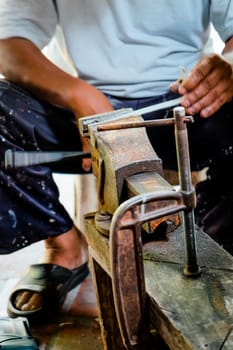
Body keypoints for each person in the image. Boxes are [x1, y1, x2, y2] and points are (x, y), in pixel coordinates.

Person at [0, 0, 232, 323]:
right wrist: (77, 94)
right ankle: (64, 248)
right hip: (87, 110)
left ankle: (212, 243)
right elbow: (9, 44)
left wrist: (230, 65)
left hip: (185, 102)